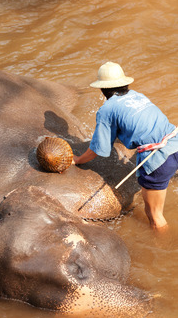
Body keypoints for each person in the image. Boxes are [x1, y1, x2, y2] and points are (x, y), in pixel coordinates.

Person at [73, 61, 178, 231]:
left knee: (155, 216)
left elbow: (98, 149)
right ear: (125, 83)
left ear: (102, 89)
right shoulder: (138, 95)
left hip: (158, 158)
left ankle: (164, 247)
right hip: (176, 141)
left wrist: (78, 159)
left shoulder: (107, 109)